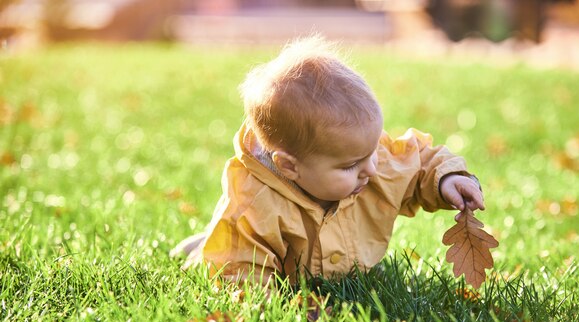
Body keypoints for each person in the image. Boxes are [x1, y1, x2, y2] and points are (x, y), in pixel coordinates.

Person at [170, 35, 485, 285]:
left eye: (373, 152)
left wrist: (447, 179)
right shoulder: (255, 206)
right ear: (289, 166)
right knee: (228, 250)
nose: (371, 169)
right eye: (349, 166)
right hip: (274, 267)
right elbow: (241, 274)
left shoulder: (367, 159)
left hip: (343, 267)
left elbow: (418, 165)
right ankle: (204, 247)